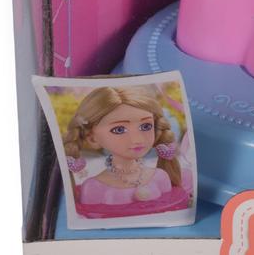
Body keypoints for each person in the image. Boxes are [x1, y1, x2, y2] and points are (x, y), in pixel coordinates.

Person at [61, 86, 190, 217]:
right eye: (119, 130)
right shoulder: (93, 188)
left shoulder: (160, 177)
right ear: (93, 138)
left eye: (146, 126)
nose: (137, 139)